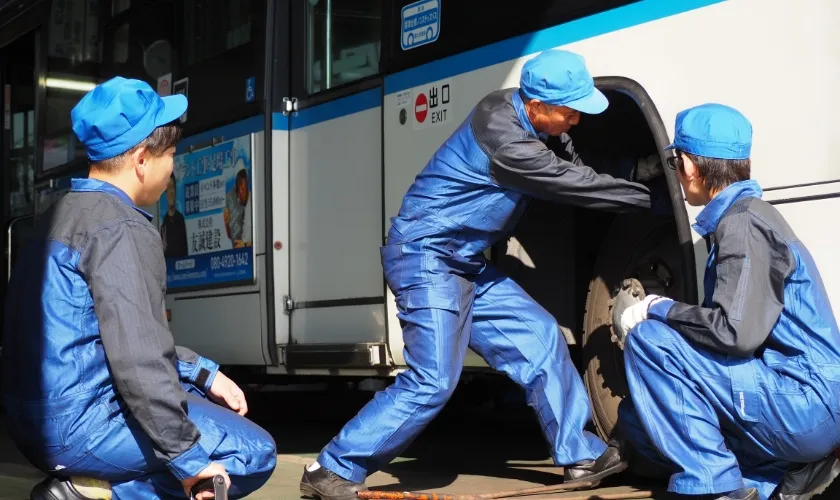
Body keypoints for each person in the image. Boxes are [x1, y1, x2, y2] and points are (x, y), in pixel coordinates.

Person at [300, 49, 653, 500]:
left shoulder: (521, 110)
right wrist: (651, 199)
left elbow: (575, 160)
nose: (576, 120)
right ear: (538, 106)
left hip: (463, 262)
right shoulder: (507, 141)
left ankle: (579, 454)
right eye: (570, 111)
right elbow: (575, 185)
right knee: (433, 380)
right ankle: (330, 469)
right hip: (426, 258)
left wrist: (634, 171)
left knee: (541, 336)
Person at [2, 77, 276, 500]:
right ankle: (93, 493)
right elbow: (138, 358)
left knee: (185, 401)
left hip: (31, 423)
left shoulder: (58, 216)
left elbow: (117, 336)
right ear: (142, 159)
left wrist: (205, 373)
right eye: (171, 155)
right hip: (81, 428)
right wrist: (188, 460)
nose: (173, 170)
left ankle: (93, 487)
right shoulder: (122, 228)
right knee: (253, 451)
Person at [614, 103, 840, 500]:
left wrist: (657, 308)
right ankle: (781, 477)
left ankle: (715, 486)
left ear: (687, 165)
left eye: (673, 162)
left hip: (805, 403)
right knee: (638, 421)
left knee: (650, 342)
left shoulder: (743, 224)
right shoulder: (748, 218)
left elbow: (733, 333)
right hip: (806, 401)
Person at [161, 173, 189, 258]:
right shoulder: (164, 224)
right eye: (169, 188)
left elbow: (185, 249)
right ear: (165, 193)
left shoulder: (180, 219)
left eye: (173, 188)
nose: (171, 192)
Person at [224, 166, 252, 248]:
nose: (240, 193)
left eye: (243, 189)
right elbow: (231, 236)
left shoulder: (255, 205)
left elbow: (263, 239)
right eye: (238, 190)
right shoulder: (239, 206)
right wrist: (226, 223)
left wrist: (246, 245)